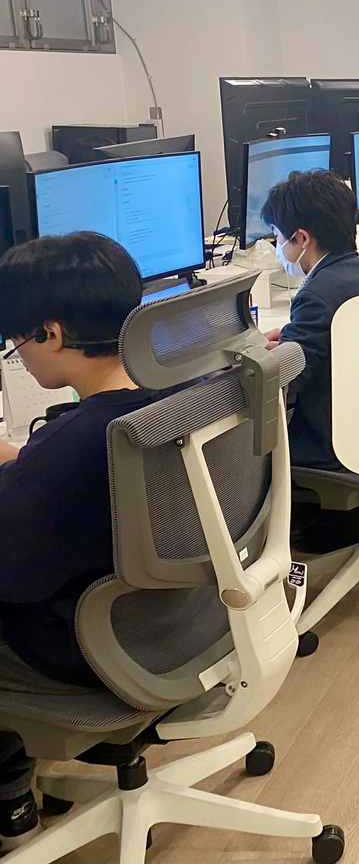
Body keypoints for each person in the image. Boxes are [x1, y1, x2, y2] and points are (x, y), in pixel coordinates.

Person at [0, 233, 159, 851]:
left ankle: (9, 797)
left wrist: (27, 472)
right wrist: (23, 464)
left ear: (52, 333)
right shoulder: (172, 395)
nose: (18, 356)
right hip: (176, 625)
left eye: (15, 342)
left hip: (90, 648)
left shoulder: (72, 449)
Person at [260, 169, 359, 471]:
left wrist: (259, 354)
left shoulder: (315, 296)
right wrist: (292, 338)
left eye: (277, 237)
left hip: (332, 449)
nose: (277, 247)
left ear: (302, 239)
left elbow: (288, 380)